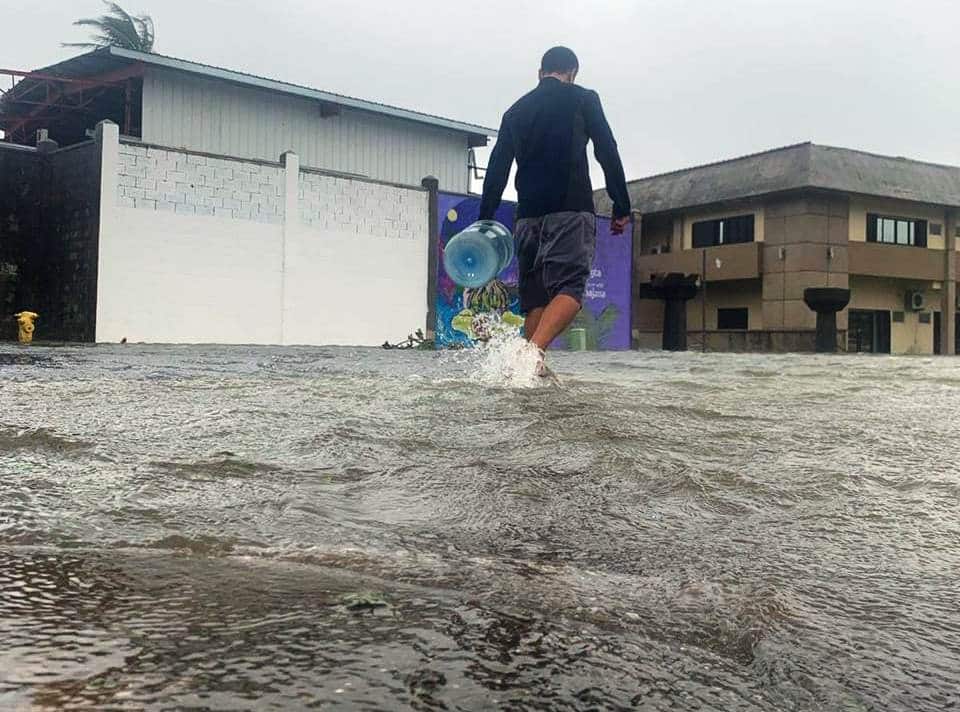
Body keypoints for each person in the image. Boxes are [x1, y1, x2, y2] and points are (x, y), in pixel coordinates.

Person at [478, 46, 631, 373]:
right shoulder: (583, 98)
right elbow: (607, 149)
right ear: (572, 73)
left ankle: (529, 374)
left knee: (536, 299)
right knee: (571, 288)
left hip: (527, 218)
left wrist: (485, 220)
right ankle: (530, 354)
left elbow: (497, 170)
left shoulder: (514, 112)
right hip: (570, 210)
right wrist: (621, 205)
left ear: (540, 72)